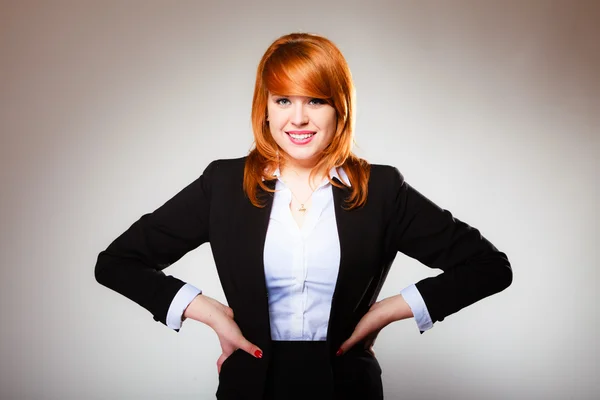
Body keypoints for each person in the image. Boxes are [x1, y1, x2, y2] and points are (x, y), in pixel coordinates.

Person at [95, 32, 512, 400]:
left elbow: (489, 267)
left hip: (347, 387)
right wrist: (207, 311)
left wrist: (385, 312)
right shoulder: (223, 184)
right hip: (249, 386)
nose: (298, 118)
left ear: (339, 108)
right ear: (266, 109)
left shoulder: (381, 189)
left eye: (315, 100)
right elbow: (117, 263)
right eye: (283, 101)